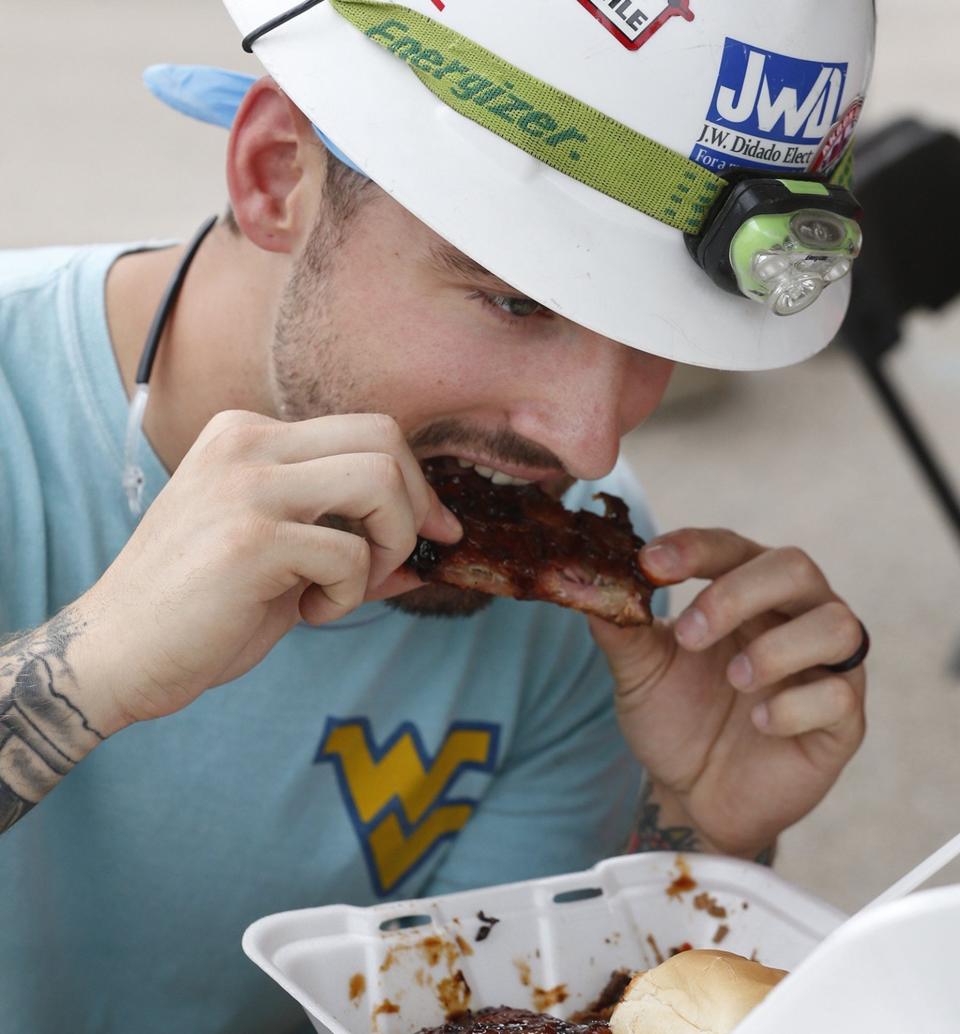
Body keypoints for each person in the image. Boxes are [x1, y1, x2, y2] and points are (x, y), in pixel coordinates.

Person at [0, 1, 875, 1031]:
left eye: (652, 335)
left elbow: (476, 1003)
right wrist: (90, 666)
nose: (591, 443)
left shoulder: (586, 614)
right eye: (517, 303)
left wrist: (696, 834)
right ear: (277, 174)